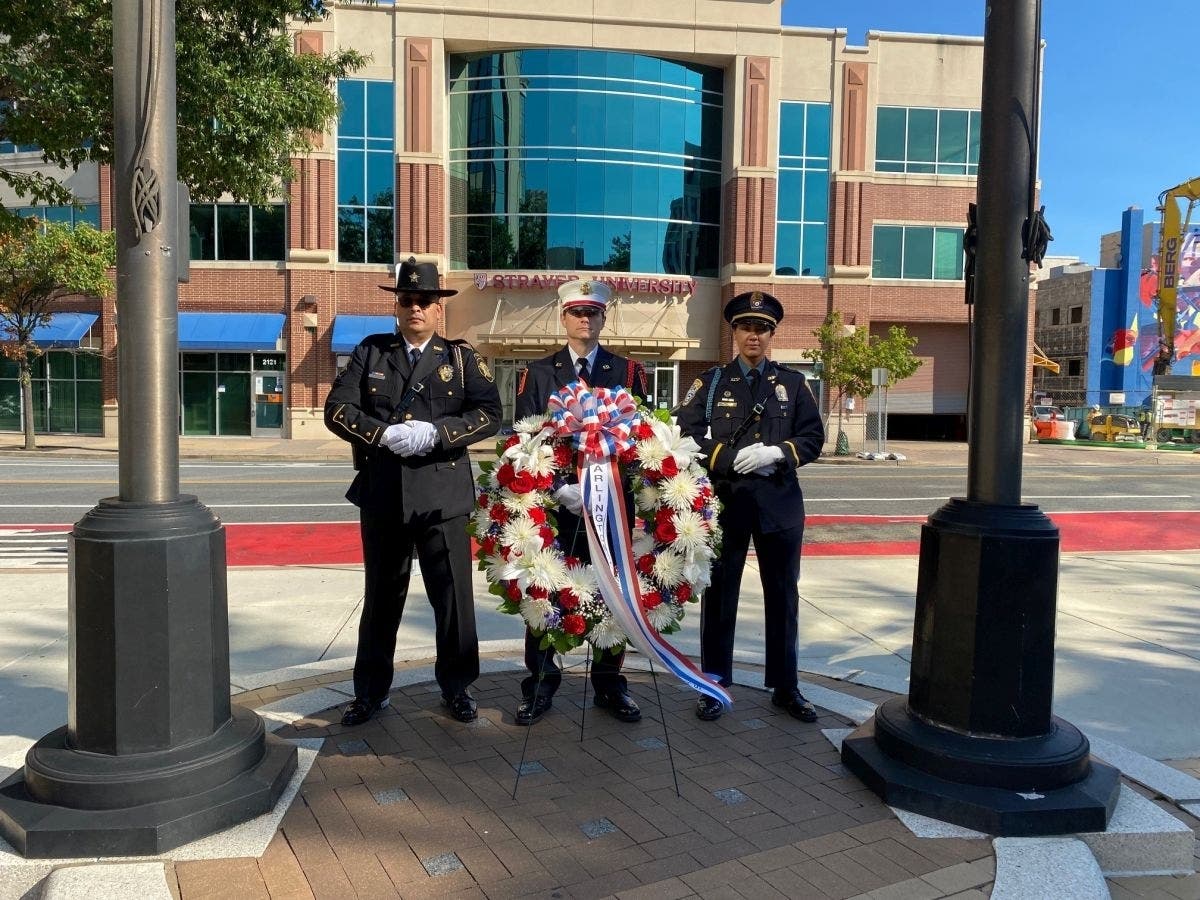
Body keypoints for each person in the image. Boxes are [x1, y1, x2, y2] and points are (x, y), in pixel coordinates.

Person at [325, 256, 501, 725]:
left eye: (425, 300)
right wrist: (381, 434)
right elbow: (336, 409)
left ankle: (458, 688)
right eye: (408, 300)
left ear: (439, 309)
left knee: (453, 601)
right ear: (397, 307)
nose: (416, 308)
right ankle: (371, 691)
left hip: (443, 497)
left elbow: (489, 413)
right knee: (382, 598)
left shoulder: (461, 359)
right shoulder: (370, 352)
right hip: (385, 494)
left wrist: (438, 433)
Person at [676, 290, 825, 722]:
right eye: (745, 326)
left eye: (761, 328)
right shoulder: (711, 382)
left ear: (772, 334)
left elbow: (812, 438)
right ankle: (714, 682)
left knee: (783, 595)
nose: (753, 335)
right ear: (734, 331)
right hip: (727, 501)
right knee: (719, 596)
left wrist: (777, 453)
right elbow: (685, 435)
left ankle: (785, 685)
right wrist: (723, 456)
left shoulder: (793, 384)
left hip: (778, 503)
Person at [511, 278, 651, 726]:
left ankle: (610, 685)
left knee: (613, 595)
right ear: (563, 317)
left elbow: (643, 441)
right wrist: (556, 489)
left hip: (611, 507)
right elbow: (524, 441)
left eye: (592, 313)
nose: (584, 319)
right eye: (576, 312)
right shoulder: (538, 373)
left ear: (603, 318)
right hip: (557, 507)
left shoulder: (628, 372)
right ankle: (540, 686)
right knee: (546, 590)